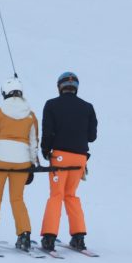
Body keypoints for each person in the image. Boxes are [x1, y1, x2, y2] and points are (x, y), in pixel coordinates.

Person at [0, 77, 39, 252]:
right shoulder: (30, 115)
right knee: (18, 199)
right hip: (22, 162)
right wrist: (33, 164)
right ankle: (24, 235)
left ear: (5, 93)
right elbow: (34, 142)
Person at [39, 72, 98, 252]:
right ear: (76, 87)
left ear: (59, 87)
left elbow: (47, 132)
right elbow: (92, 136)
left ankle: (49, 237)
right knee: (71, 195)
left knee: (56, 195)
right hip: (80, 158)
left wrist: (45, 150)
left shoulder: (51, 105)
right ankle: (78, 237)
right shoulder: (88, 107)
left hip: (60, 157)